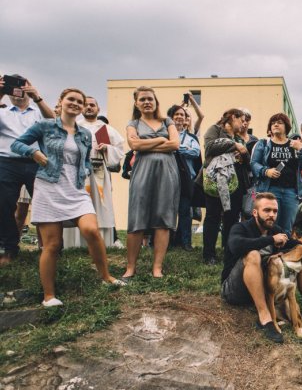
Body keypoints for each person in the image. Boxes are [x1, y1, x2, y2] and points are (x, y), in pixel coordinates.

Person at [11, 88, 125, 307]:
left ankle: (106, 277)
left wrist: (82, 173)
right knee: (52, 244)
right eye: (70, 99)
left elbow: (84, 160)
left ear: (82, 107)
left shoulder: (85, 133)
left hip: (75, 189)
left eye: (79, 101)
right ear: (61, 102)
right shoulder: (45, 126)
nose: (75, 103)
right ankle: (49, 296)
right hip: (49, 187)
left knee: (91, 230)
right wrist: (34, 153)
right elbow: (18, 144)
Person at [221, 192, 302, 343]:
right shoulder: (240, 227)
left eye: (275, 211)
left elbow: (297, 245)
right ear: (255, 212)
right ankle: (264, 318)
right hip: (234, 290)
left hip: (262, 288)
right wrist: (270, 240)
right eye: (267, 210)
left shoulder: (276, 230)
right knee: (253, 255)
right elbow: (235, 245)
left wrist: (284, 253)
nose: (271, 215)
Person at [122, 86, 180, 279]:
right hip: (142, 172)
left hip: (167, 172)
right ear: (136, 103)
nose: (147, 102)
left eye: (150, 99)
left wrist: (147, 143)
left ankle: (157, 268)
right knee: (137, 216)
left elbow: (175, 144)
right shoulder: (133, 123)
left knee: (163, 218)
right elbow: (134, 145)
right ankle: (130, 267)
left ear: (156, 102)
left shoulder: (167, 121)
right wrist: (161, 139)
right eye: (143, 99)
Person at [0, 75, 54, 265]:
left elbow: (54, 122)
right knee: (4, 205)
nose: (17, 91)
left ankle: (51, 246)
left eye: (21, 86)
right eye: (12, 87)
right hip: (6, 162)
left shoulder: (37, 112)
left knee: (45, 204)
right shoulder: (3, 112)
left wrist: (37, 97)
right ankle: (9, 248)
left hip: (35, 161)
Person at [62, 97, 125, 249]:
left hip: (99, 172)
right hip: (76, 172)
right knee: (76, 205)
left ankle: (103, 242)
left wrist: (107, 148)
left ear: (98, 109)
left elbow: (119, 150)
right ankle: (74, 243)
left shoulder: (106, 129)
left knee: (100, 205)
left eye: (92, 105)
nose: (89, 107)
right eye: (86, 105)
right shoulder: (73, 126)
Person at [200, 108, 248, 264]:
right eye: (241, 120)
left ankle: (229, 252)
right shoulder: (215, 129)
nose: (244, 124)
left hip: (235, 182)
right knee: (213, 217)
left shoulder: (240, 138)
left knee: (232, 218)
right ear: (233, 117)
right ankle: (209, 255)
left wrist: (243, 154)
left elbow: (247, 159)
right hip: (215, 181)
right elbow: (210, 148)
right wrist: (234, 146)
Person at [251, 113, 302, 234]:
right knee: (270, 224)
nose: (275, 124)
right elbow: (253, 163)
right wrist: (266, 171)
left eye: (279, 122)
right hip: (270, 190)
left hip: (291, 192)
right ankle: (269, 251)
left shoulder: (294, 145)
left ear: (286, 127)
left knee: (287, 227)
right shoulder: (263, 143)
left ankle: (284, 252)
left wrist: (301, 150)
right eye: (273, 123)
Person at [168, 104, 201, 251]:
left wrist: (175, 147)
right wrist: (184, 148)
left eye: (182, 115)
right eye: (176, 114)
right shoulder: (164, 134)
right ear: (171, 117)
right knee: (167, 212)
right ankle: (166, 242)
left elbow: (196, 152)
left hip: (187, 179)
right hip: (167, 178)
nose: (180, 117)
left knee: (185, 211)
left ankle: (186, 243)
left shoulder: (191, 137)